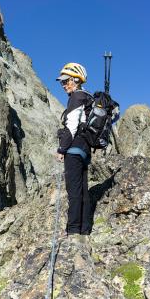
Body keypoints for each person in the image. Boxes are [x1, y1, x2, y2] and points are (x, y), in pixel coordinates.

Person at [55, 62, 93, 242]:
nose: (63, 85)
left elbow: (71, 127)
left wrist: (62, 149)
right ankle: (85, 229)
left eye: (66, 81)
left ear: (76, 80)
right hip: (85, 150)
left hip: (74, 149)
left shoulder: (76, 97)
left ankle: (73, 231)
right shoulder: (88, 97)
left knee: (74, 191)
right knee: (84, 190)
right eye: (62, 82)